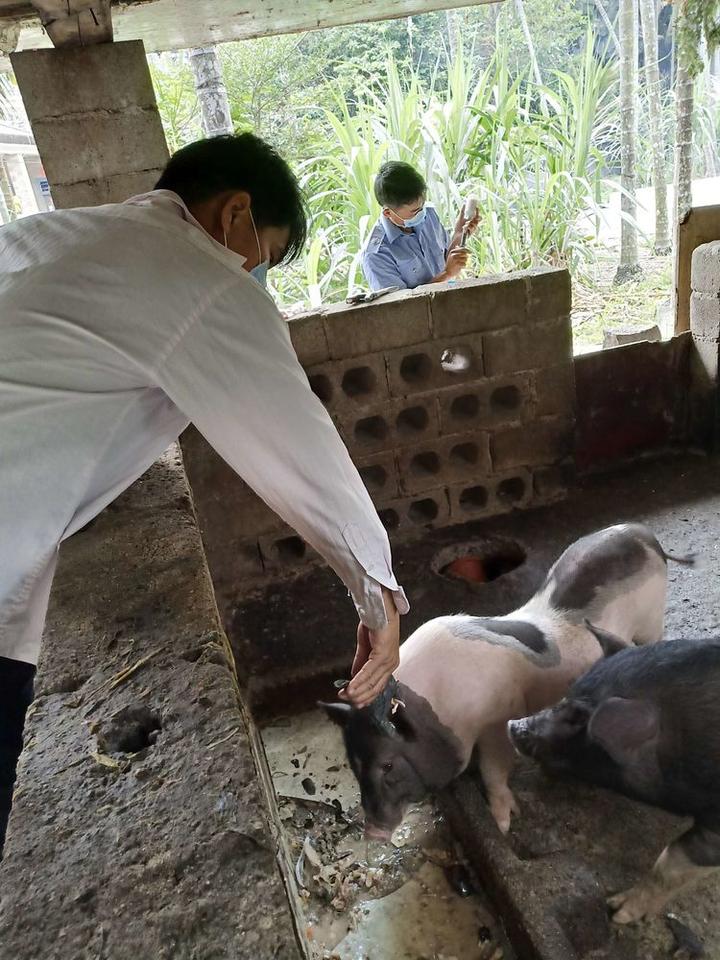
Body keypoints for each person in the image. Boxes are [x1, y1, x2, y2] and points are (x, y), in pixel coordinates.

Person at [0, 133, 407, 850]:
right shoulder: (199, 275)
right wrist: (378, 596)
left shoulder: (50, 232)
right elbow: (301, 445)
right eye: (266, 255)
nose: (256, 275)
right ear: (235, 215)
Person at [361, 160, 480, 291]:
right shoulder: (377, 254)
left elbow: (446, 258)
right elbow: (399, 306)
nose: (421, 213)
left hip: (449, 300)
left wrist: (460, 232)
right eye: (414, 211)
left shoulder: (428, 215)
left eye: (422, 206)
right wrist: (447, 274)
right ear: (388, 212)